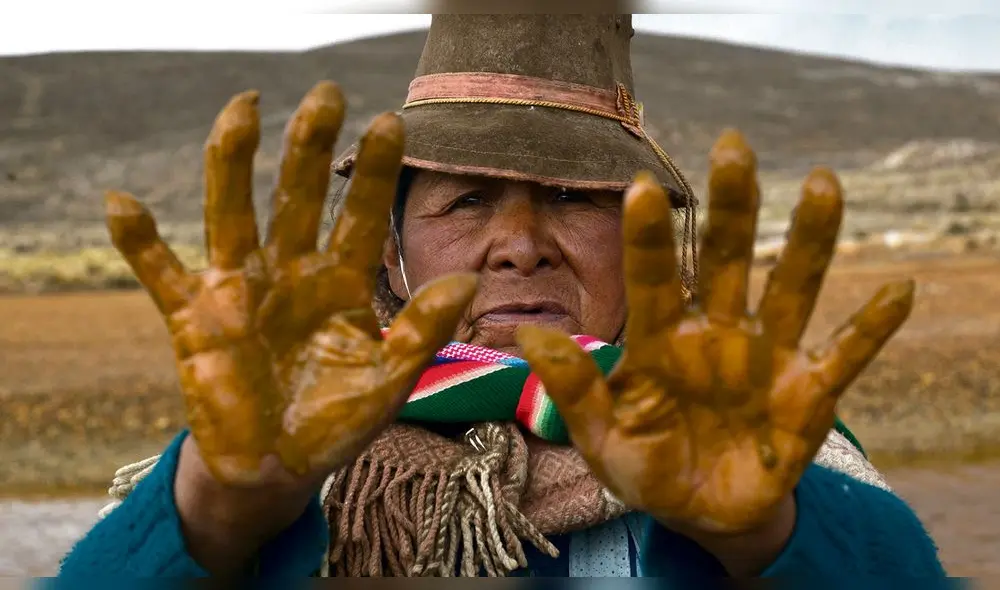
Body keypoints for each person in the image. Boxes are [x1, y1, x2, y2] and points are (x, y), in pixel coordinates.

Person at [57, 15, 945, 578]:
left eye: (571, 197)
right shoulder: (277, 422)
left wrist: (769, 535)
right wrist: (220, 506)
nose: (521, 246)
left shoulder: (753, 434)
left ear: (642, 242)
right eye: (467, 201)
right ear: (390, 254)